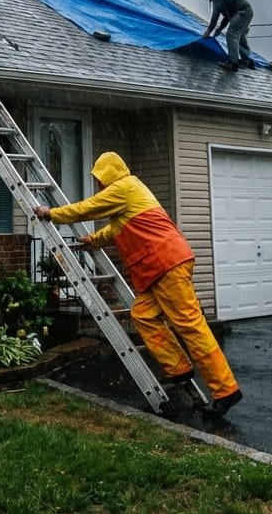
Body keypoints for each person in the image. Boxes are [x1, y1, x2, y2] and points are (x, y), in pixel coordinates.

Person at [33, 151, 242, 419]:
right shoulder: (127, 196)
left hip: (166, 264)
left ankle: (226, 391)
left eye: (99, 178)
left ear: (108, 174)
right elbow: (114, 230)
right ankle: (178, 368)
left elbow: (88, 208)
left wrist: (51, 213)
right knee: (143, 315)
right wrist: (93, 240)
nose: (98, 183)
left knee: (191, 327)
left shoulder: (124, 187)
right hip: (159, 269)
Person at [201, 0, 255, 72]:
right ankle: (246, 60)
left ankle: (233, 63)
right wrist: (220, 28)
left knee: (232, 34)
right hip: (247, 12)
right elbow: (227, 16)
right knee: (239, 35)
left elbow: (215, 17)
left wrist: (208, 31)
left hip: (242, 12)